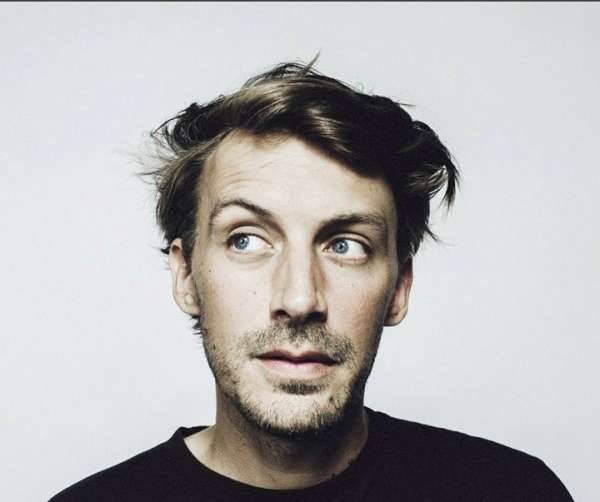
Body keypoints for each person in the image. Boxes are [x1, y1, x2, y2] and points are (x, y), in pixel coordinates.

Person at [49, 61, 573, 501]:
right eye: (246, 240)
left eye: (345, 245)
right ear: (186, 276)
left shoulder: (512, 491)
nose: (299, 299)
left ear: (399, 288)